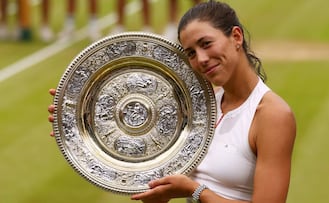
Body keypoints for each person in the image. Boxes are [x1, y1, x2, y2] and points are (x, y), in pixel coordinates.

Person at [48, 1, 296, 202]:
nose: (201, 59)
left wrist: (194, 191)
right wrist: (78, 121)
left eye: (206, 44)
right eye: (190, 53)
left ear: (236, 36)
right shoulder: (204, 108)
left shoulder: (272, 115)